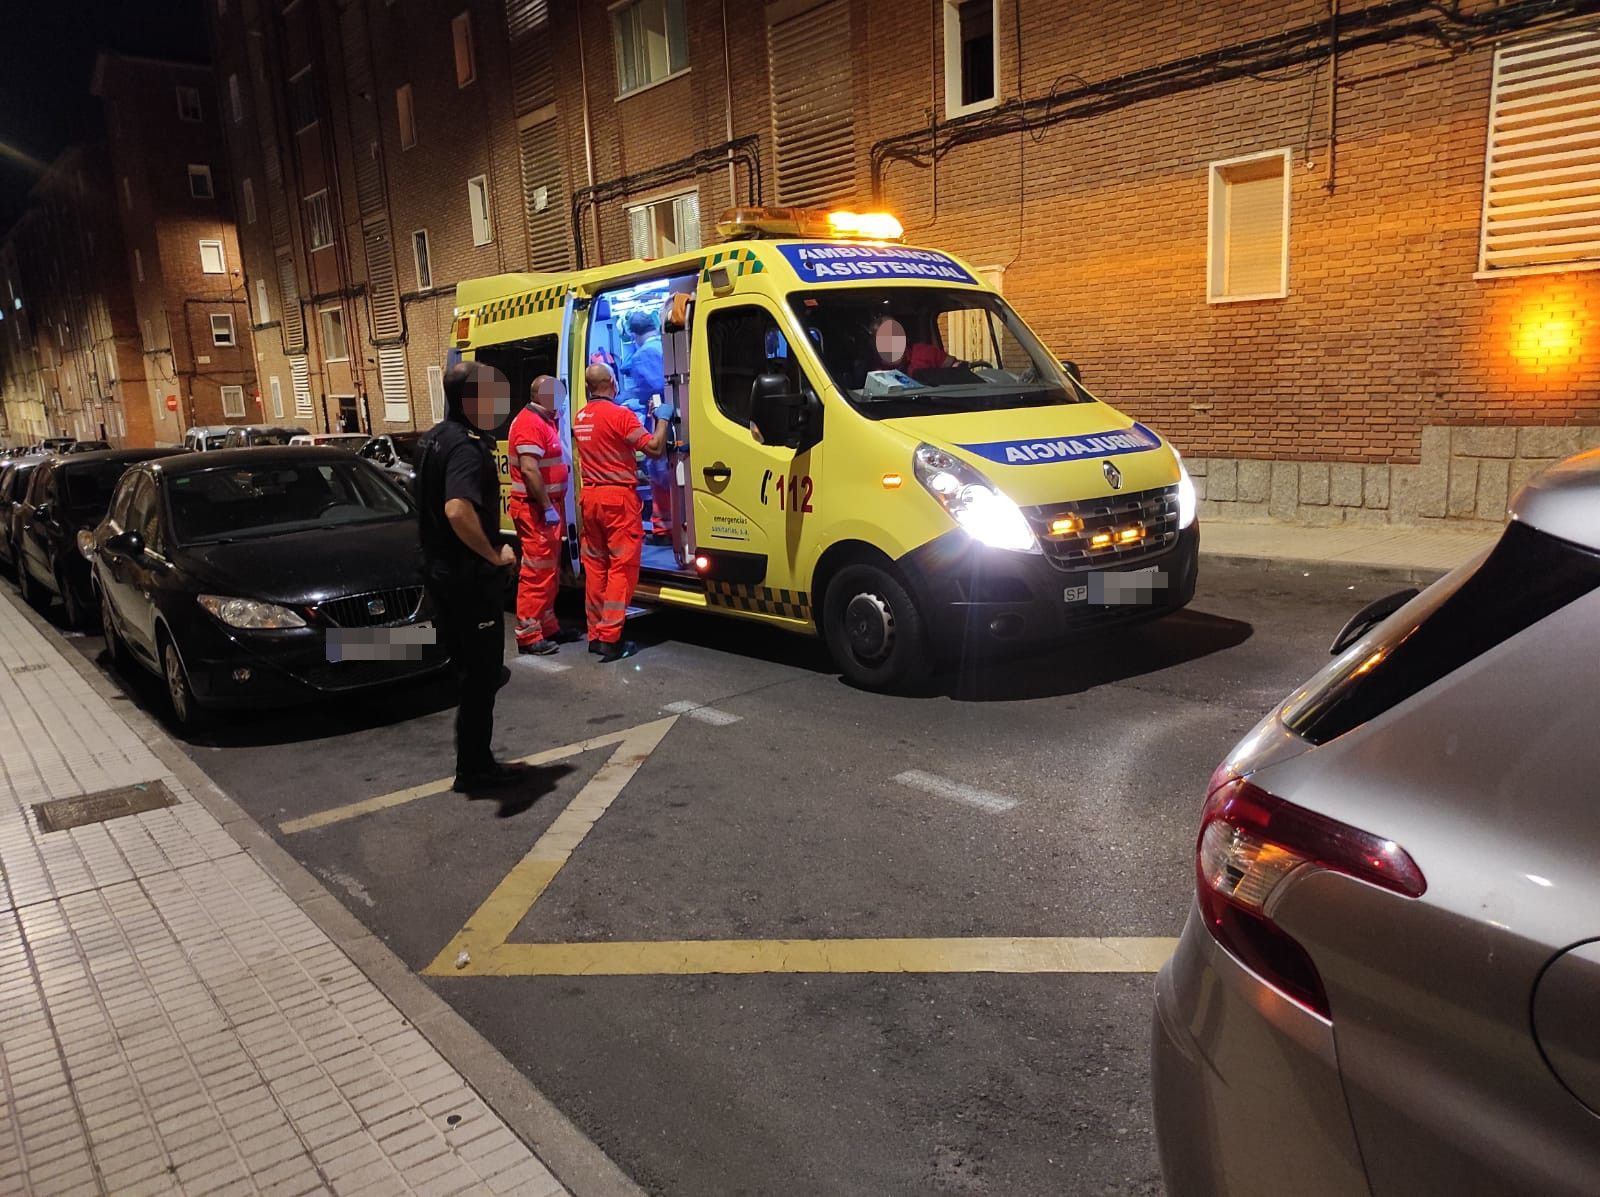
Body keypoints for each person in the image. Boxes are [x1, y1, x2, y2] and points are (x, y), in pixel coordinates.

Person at [414, 361, 522, 792]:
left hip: (442, 573)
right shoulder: (464, 446)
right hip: (468, 580)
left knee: (467, 672)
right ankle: (475, 769)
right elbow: (457, 510)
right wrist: (494, 554)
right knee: (482, 675)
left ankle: (475, 763)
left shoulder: (433, 438)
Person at [573, 362, 672, 662]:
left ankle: (595, 634)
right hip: (617, 500)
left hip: (591, 498)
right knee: (622, 568)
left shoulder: (581, 417)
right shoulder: (620, 415)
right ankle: (611, 638)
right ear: (612, 382)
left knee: (596, 569)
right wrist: (662, 419)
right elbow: (654, 447)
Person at [507, 374, 570, 655]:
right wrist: (546, 506)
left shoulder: (543, 420)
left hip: (544, 507)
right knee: (536, 573)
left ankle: (547, 626)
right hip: (535, 509)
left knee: (548, 571)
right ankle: (529, 635)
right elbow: (530, 469)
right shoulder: (529, 423)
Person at [619, 308, 674, 541]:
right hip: (672, 416)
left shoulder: (643, 355)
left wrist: (626, 401)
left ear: (633, 334)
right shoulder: (665, 345)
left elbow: (651, 391)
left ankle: (664, 530)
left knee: (660, 472)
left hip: (660, 419)